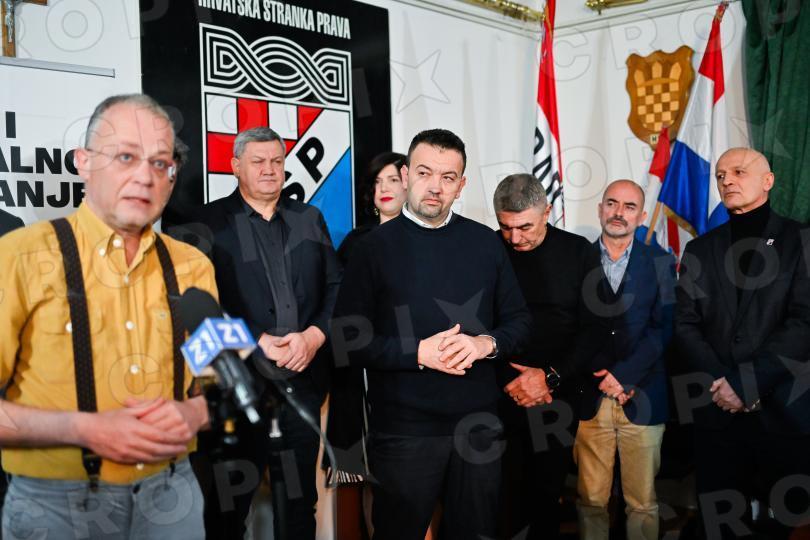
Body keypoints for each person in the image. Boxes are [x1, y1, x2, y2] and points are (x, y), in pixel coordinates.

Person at [0, 93, 217, 538]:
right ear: (83, 162)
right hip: (56, 505)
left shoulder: (195, 266)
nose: (145, 176)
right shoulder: (18, 257)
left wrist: (195, 414)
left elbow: (220, 385)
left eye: (160, 163)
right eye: (126, 157)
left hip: (173, 496)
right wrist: (82, 429)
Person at [332, 128, 532, 540]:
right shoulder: (371, 247)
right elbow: (346, 339)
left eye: (447, 177)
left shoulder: (486, 243)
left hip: (479, 426)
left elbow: (520, 322)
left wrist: (484, 344)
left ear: (462, 185)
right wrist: (418, 353)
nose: (435, 187)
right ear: (406, 175)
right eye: (425, 173)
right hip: (403, 430)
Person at [191, 126, 341, 539]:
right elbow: (198, 303)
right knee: (227, 510)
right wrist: (254, 339)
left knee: (298, 506)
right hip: (238, 389)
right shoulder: (206, 222)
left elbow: (336, 287)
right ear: (235, 166)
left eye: (277, 161)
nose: (270, 170)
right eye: (258, 162)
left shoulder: (309, 218)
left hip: (301, 386)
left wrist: (314, 336)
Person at [675, 148, 810, 539]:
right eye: (720, 175)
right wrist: (726, 385)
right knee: (720, 525)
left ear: (768, 181)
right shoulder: (700, 249)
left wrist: (746, 383)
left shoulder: (801, 240)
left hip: (782, 413)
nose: (727, 180)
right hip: (717, 415)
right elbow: (684, 325)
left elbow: (803, 323)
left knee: (786, 526)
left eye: (738, 172)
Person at [493, 173, 603, 540]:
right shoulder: (488, 248)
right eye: (506, 227)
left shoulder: (579, 252)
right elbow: (473, 322)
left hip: (558, 396)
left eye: (525, 227)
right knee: (498, 499)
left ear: (547, 212)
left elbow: (596, 328)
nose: (515, 238)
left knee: (544, 497)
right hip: (498, 395)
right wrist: (511, 381)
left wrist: (549, 377)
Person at [574, 179, 675, 540]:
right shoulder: (577, 259)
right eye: (612, 203)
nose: (619, 213)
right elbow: (570, 325)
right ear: (600, 209)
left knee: (642, 503)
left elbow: (664, 327)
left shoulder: (662, 262)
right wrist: (600, 372)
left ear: (642, 216)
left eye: (629, 207)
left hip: (643, 394)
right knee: (590, 501)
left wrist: (624, 376)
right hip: (590, 395)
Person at [325, 151, 406, 540]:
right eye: (377, 182)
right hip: (363, 375)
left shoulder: (429, 237)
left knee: (411, 482)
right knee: (367, 477)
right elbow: (341, 312)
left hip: (415, 376)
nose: (384, 188)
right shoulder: (357, 242)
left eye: (393, 179)